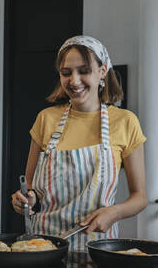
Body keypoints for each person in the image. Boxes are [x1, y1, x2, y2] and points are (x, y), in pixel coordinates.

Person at [11, 35, 147, 252]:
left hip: (97, 249)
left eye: (84, 71)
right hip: (42, 247)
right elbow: (31, 190)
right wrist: (24, 200)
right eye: (66, 73)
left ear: (102, 71)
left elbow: (139, 197)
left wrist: (114, 212)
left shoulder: (125, 122)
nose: (74, 81)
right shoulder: (46, 119)